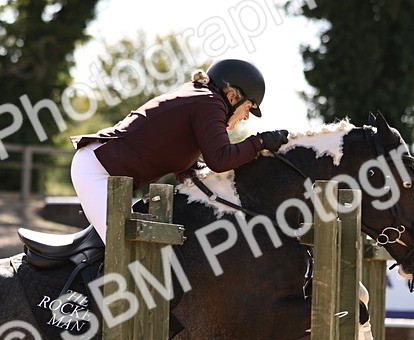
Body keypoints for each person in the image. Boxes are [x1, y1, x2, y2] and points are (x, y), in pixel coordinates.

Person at [70, 59, 289, 240]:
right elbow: (221, 159)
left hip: (104, 171)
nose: (246, 117)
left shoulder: (202, 99)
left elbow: (190, 164)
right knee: (124, 250)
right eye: (248, 108)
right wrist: (260, 142)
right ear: (232, 96)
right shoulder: (209, 102)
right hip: (96, 171)